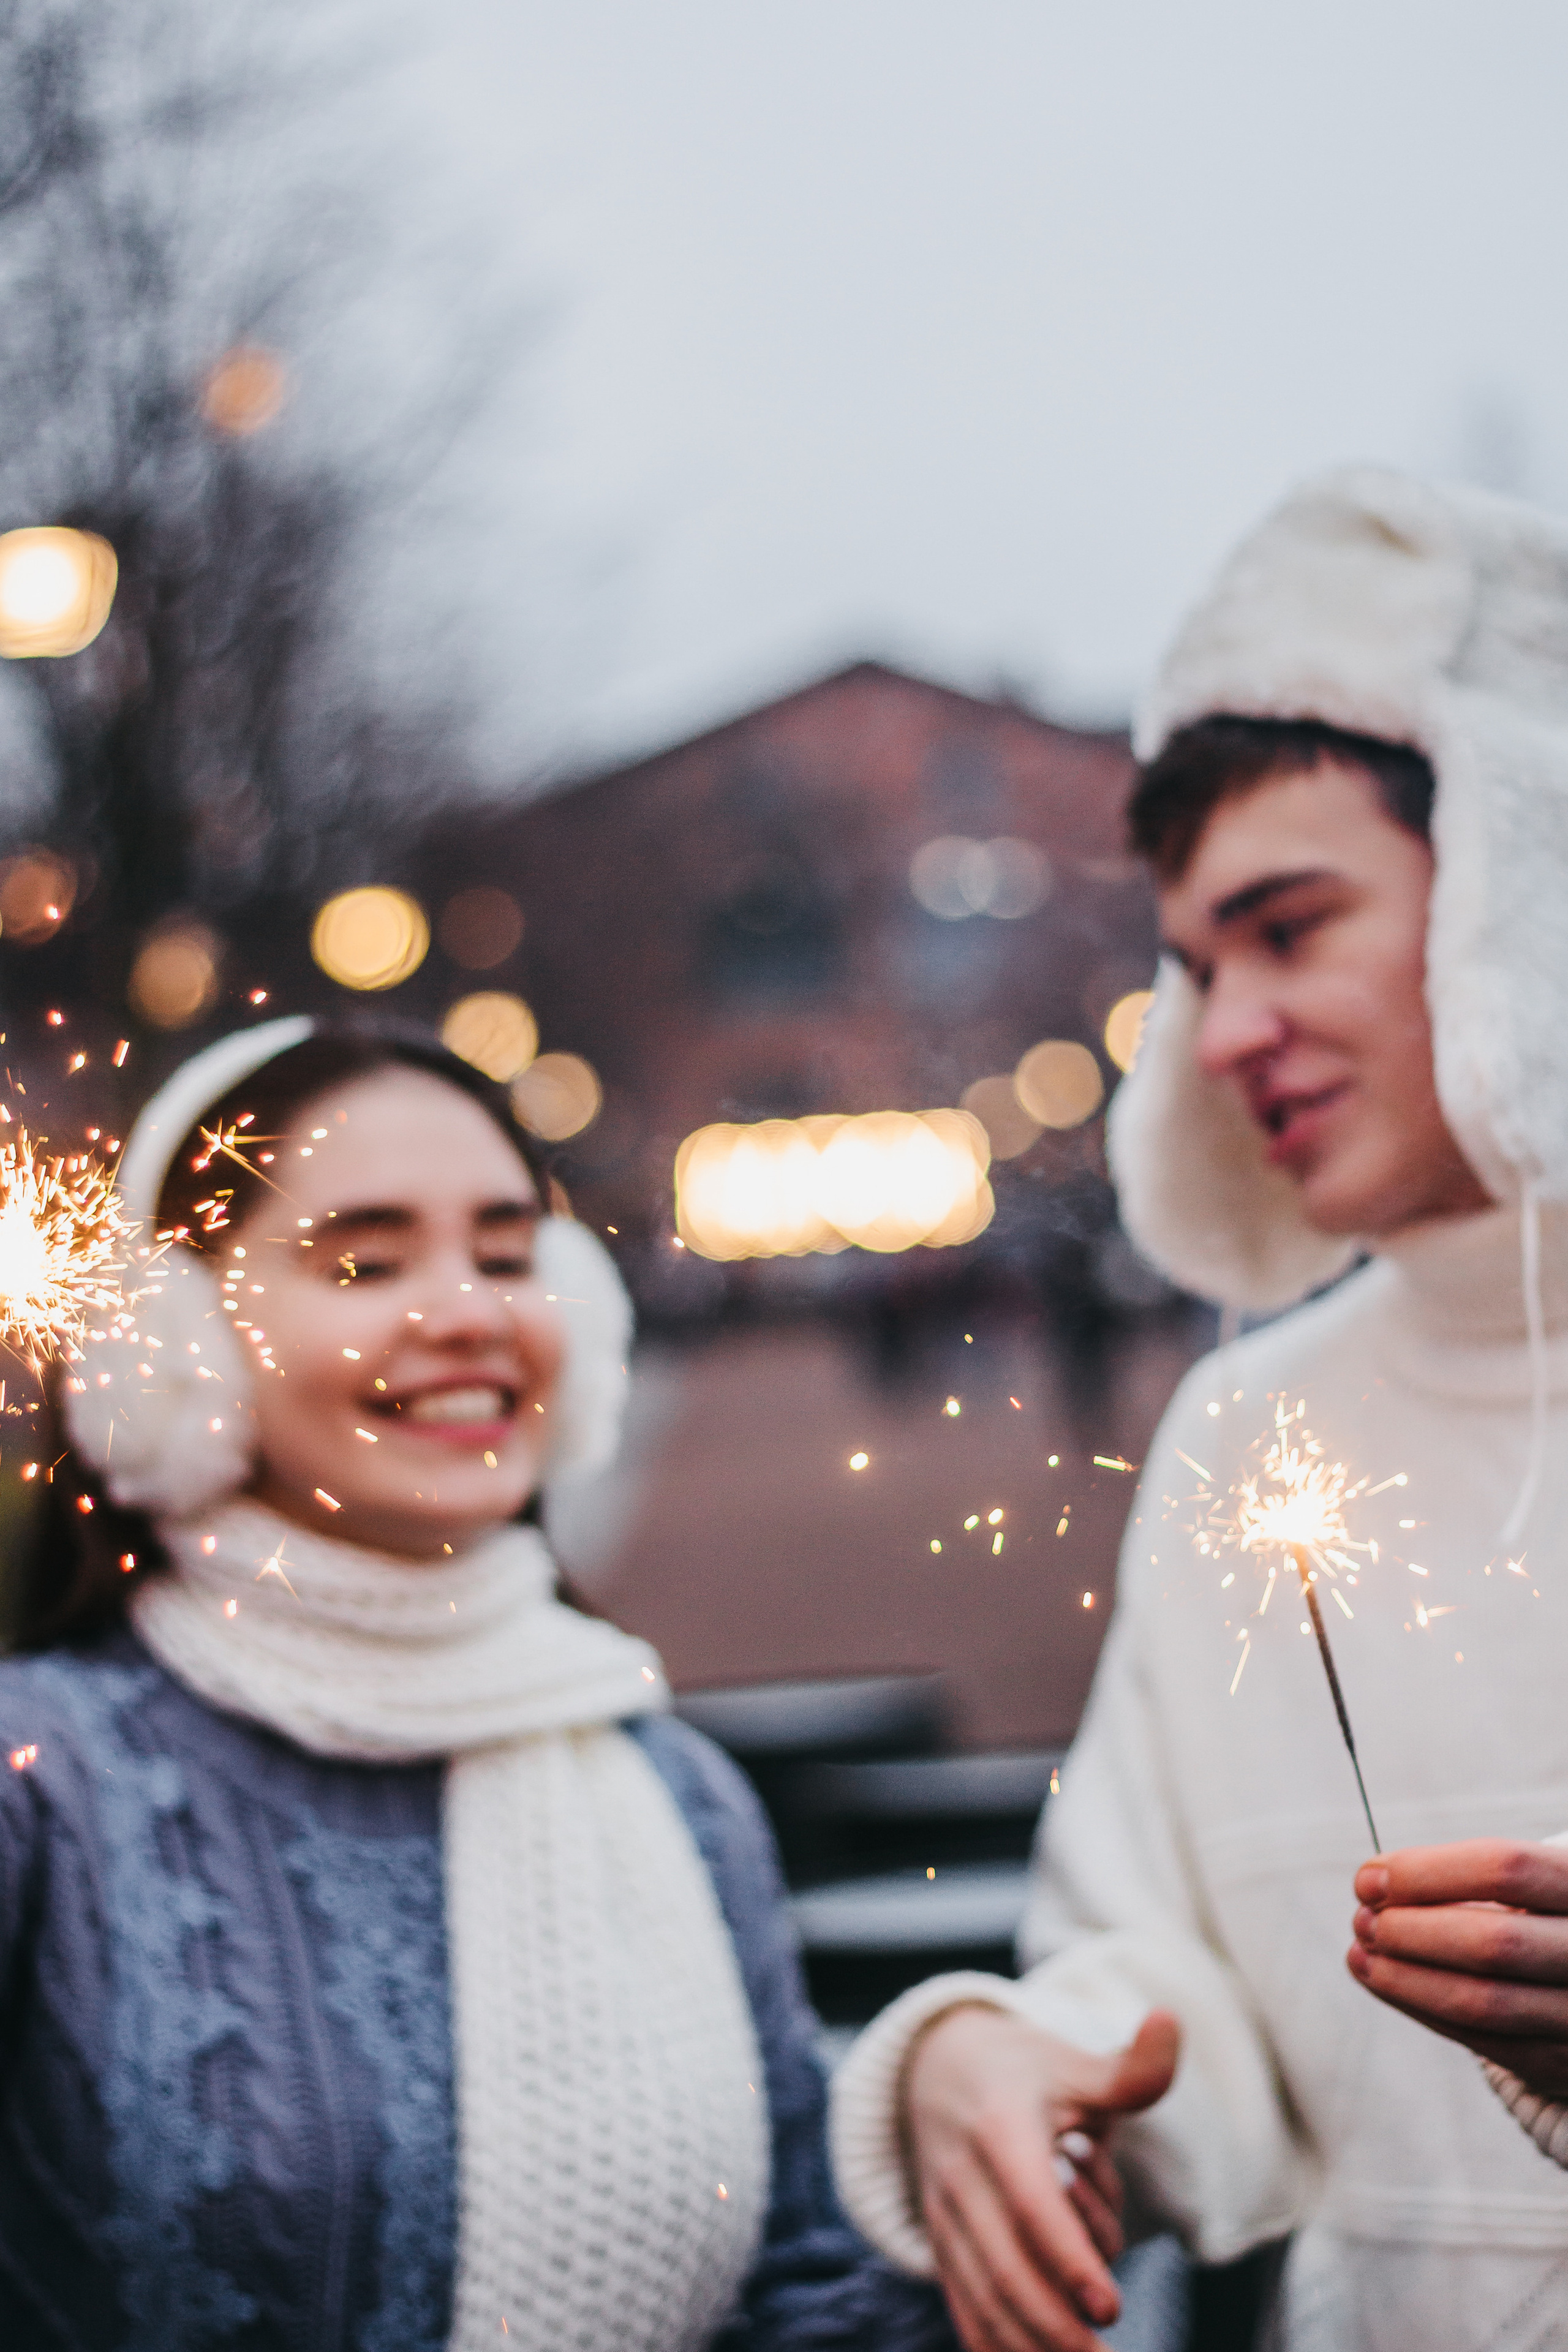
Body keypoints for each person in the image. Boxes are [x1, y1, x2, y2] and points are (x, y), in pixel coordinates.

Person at [829, 466, 1568, 2351]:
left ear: (1523, 885)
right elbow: (1165, 1977)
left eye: (1290, 925)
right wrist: (994, 2067)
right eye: (1195, 963)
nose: (1223, 1027)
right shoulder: (1255, 1432)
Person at [0, 1016, 959, 2352]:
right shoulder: (41, 1789)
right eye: (363, 1258)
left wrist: (982, 2190)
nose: (467, 1313)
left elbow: (786, 2286)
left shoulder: (674, 1795)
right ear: (171, 1343)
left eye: (506, 1256)